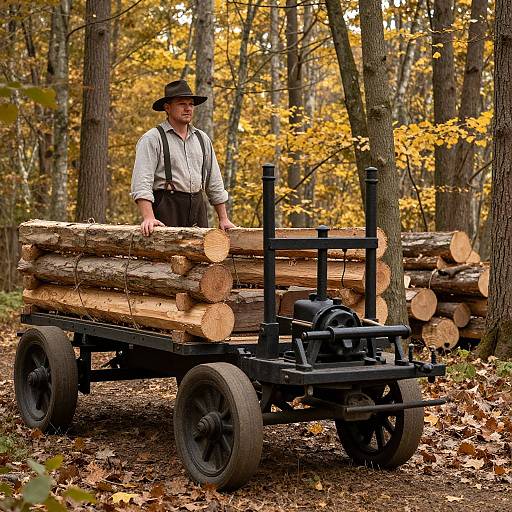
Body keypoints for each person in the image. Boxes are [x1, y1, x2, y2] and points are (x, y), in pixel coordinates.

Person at [131, 79, 235, 236]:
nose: (188, 109)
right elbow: (141, 182)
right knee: (165, 259)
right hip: (167, 208)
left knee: (200, 256)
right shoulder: (152, 138)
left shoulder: (202, 138)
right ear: (167, 107)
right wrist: (148, 217)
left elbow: (214, 182)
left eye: (191, 104)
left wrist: (223, 218)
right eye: (181, 104)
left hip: (198, 208)